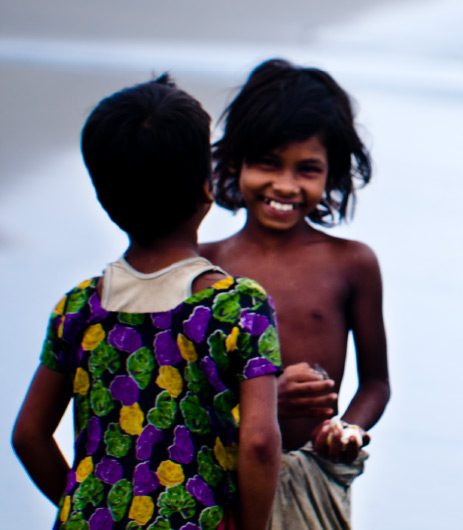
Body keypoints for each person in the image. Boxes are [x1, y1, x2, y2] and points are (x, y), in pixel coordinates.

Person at [11, 74, 283, 530]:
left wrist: (84, 506)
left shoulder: (78, 308)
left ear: (103, 198)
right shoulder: (238, 309)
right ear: (206, 187)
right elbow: (259, 442)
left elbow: (29, 436)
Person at [201, 58, 390, 530]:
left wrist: (345, 429)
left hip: (312, 479)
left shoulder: (352, 265)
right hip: (217, 478)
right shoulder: (203, 268)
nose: (285, 185)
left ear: (333, 176)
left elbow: (376, 384)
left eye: (307, 170)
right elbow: (184, 388)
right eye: (268, 164)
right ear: (235, 163)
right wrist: (262, 403)